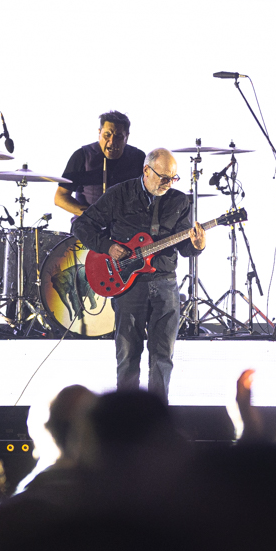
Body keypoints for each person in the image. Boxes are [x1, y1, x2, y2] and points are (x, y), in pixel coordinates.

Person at [72, 148, 205, 403]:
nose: (168, 183)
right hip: (128, 286)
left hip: (165, 284)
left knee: (162, 357)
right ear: (146, 170)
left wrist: (198, 246)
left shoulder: (179, 201)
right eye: (163, 177)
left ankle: (157, 422)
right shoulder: (119, 194)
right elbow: (81, 225)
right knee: (128, 355)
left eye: (173, 179)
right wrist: (107, 246)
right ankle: (126, 418)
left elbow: (185, 247)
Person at [54, 110, 145, 217]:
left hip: (125, 226)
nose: (112, 141)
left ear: (127, 137)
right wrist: (91, 216)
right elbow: (60, 197)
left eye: (118, 136)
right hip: (88, 227)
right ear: (99, 133)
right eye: (107, 135)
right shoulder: (82, 155)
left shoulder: (138, 157)